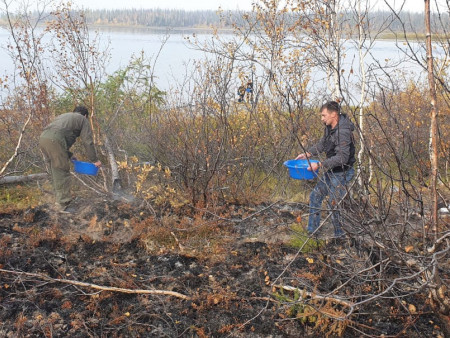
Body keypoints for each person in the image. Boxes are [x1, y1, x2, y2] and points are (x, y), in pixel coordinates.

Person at [296, 101, 355, 238]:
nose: (322, 118)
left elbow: (342, 158)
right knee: (315, 196)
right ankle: (312, 232)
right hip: (332, 170)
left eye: (324, 115)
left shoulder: (343, 132)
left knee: (333, 204)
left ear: (334, 114)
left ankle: (339, 236)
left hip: (343, 172)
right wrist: (308, 154)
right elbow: (323, 144)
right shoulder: (330, 127)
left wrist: (320, 164)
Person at [39, 106, 101, 212]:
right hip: (55, 140)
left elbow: (59, 137)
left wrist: (69, 154)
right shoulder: (82, 120)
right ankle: (63, 205)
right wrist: (94, 160)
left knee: (54, 170)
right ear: (85, 115)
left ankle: (57, 200)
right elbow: (88, 141)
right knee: (62, 169)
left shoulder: (64, 116)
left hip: (43, 138)